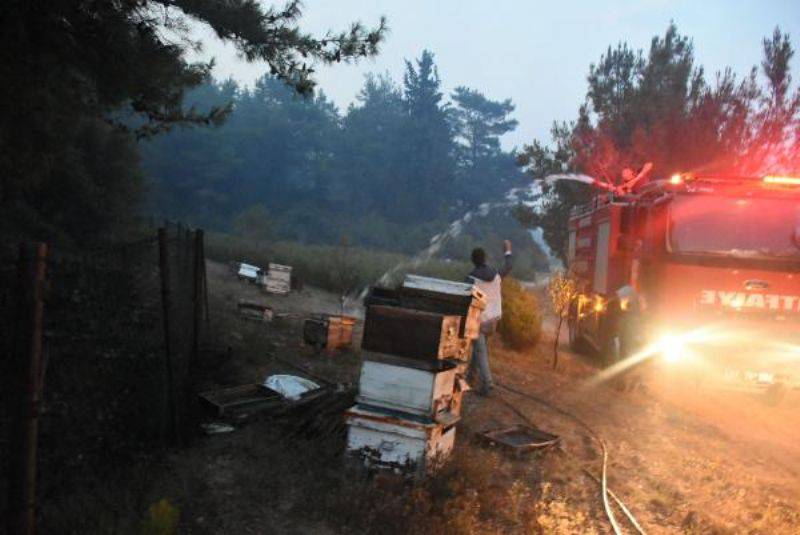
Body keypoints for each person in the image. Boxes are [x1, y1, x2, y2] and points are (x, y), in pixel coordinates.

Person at [466, 240, 512, 395]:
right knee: (479, 349)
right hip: (494, 321)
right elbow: (508, 266)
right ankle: (471, 377)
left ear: (473, 261)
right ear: (485, 259)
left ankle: (488, 384)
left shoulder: (471, 279)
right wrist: (507, 250)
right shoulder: (497, 275)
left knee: (480, 352)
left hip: (480, 321)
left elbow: (464, 298)